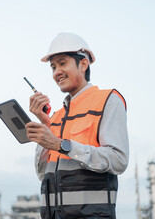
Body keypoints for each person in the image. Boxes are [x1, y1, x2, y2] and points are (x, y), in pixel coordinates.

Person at [25, 32, 129, 219]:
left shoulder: (108, 100)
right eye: (53, 67)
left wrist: (61, 145)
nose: (56, 72)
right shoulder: (55, 116)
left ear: (83, 64)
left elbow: (118, 160)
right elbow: (42, 174)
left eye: (62, 63)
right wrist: (45, 124)